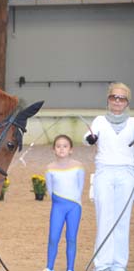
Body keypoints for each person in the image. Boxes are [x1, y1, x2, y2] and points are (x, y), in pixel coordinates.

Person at [84, 82, 134, 271]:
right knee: (104, 217)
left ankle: (119, 264)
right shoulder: (99, 121)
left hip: (127, 173)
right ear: (108, 100)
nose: (117, 101)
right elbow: (88, 137)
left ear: (127, 102)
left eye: (121, 98)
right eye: (114, 97)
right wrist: (90, 139)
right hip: (104, 172)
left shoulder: (132, 123)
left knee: (122, 219)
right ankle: (103, 264)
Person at [42, 134, 85, 271]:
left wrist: (74, 202)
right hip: (58, 207)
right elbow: (50, 189)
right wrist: (58, 200)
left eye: (65, 146)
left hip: (74, 207)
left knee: (71, 238)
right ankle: (49, 267)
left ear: (71, 149)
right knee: (53, 237)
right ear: (54, 149)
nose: (61, 149)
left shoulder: (78, 166)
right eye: (58, 146)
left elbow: (80, 188)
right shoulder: (50, 168)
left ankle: (70, 268)